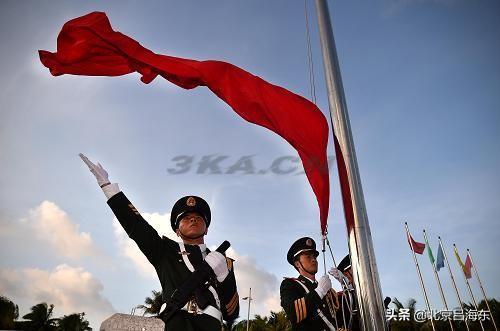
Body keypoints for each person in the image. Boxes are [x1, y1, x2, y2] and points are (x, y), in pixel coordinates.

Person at [80, 154, 239, 331]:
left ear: (207, 228)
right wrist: (109, 188)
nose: (193, 220)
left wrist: (224, 277)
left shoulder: (223, 262)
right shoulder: (164, 251)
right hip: (173, 323)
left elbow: (231, 313)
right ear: (177, 231)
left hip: (210, 325)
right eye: (186, 218)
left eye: (198, 217)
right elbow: (138, 227)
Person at [280, 237, 340, 330]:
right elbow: (293, 313)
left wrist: (346, 283)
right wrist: (320, 291)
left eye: (314, 257)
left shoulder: (325, 289)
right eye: (308, 256)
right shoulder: (290, 284)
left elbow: (342, 315)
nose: (313, 260)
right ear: (297, 264)